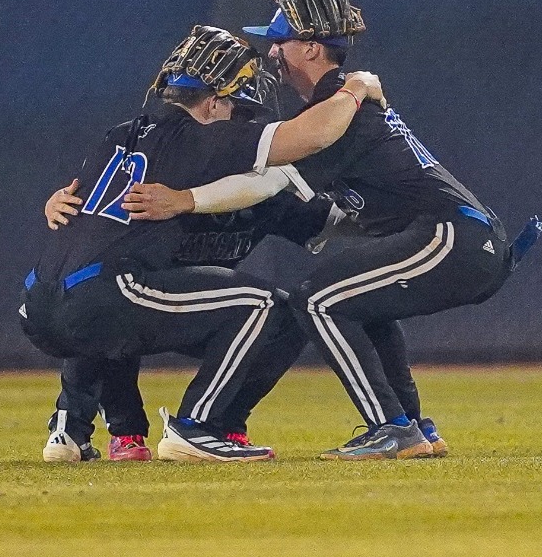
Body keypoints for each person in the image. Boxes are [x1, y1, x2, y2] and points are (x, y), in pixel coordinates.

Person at [20, 24, 380, 462]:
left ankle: (71, 429)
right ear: (213, 101)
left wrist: (55, 202)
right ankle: (197, 425)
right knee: (261, 303)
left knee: (104, 290)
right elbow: (307, 138)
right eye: (238, 109)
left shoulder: (122, 135)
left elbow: (81, 205)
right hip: (105, 293)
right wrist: (355, 90)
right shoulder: (203, 139)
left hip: (36, 302)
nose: (244, 121)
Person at [239, 0, 518, 462]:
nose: (270, 52)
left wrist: (185, 197)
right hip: (467, 240)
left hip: (452, 237)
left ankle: (392, 427)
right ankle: (413, 425)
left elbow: (267, 176)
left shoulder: (334, 111)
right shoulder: (343, 99)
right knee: (355, 300)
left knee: (317, 299)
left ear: (308, 47)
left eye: (278, 41)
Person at [38, 152, 331, 462]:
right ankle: (88, 426)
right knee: (106, 294)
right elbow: (100, 208)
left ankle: (221, 425)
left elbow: (333, 219)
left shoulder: (263, 193)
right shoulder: (166, 178)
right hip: (135, 298)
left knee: (290, 315)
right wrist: (64, 200)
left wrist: (379, 204)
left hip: (201, 310)